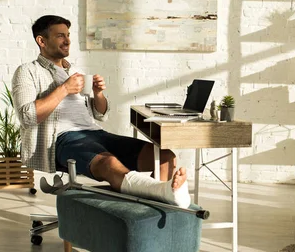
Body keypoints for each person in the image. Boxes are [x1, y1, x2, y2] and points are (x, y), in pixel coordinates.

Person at [11, 15, 190, 208]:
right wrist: (64, 89)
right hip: (62, 139)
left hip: (95, 133)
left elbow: (100, 114)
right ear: (42, 41)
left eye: (68, 35)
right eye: (60, 36)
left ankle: (147, 213)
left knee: (166, 157)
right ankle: (161, 192)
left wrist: (98, 94)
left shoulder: (73, 72)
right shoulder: (27, 71)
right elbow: (27, 116)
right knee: (108, 163)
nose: (68, 40)